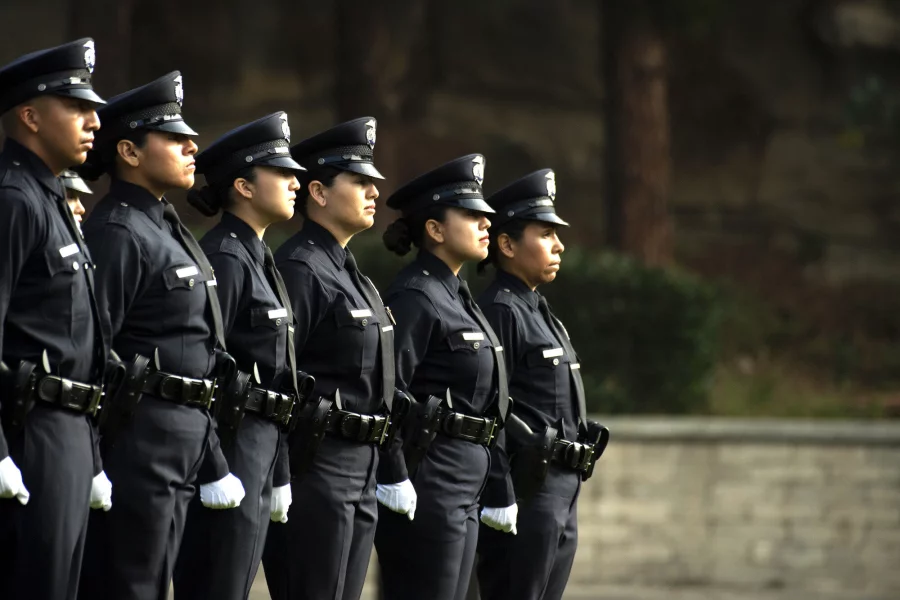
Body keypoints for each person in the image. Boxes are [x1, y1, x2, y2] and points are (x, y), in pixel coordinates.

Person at [76, 71, 245, 600]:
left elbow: (202, 350)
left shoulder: (165, 225)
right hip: (137, 438)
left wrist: (213, 457)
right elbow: (91, 350)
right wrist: (95, 462)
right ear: (128, 150)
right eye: (174, 138)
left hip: (184, 439)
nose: (193, 146)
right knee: (130, 584)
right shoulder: (118, 230)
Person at [261, 117, 397, 600]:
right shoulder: (299, 268)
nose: (372, 192)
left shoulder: (353, 273)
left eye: (373, 183)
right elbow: (280, 377)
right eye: (359, 182)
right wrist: (279, 474)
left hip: (362, 467)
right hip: (317, 467)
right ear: (317, 192)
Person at [172, 111, 306, 600]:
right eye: (282, 173)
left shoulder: (258, 256)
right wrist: (214, 468)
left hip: (262, 448)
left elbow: (283, 377)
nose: (297, 182)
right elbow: (207, 367)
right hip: (231, 446)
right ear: (244, 187)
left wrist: (282, 471)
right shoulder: (226, 258)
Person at [0, 38, 112, 600]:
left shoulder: (49, 199)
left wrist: (89, 454)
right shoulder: (14, 198)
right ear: (30, 115)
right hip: (29, 430)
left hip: (68, 431)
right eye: (76, 106)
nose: (94, 120)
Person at [374, 154, 516, 600]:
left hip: (464, 479)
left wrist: (497, 482)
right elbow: (388, 390)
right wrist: (394, 473)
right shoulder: (417, 294)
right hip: (430, 478)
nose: (486, 224)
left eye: (485, 216)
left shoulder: (457, 294)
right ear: (434, 230)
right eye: (471, 215)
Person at [475, 169, 605, 600]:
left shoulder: (538, 310)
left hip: (562, 488)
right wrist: (501, 492)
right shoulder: (501, 311)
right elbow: (491, 407)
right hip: (528, 488)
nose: (559, 245)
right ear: (507, 244)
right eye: (546, 233)